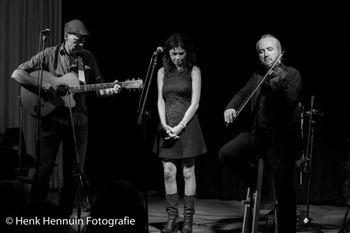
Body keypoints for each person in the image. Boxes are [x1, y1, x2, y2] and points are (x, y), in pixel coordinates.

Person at [11, 19, 121, 217]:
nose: (81, 44)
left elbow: (98, 87)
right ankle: (35, 216)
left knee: (74, 175)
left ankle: (62, 219)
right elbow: (17, 74)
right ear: (65, 37)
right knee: (43, 172)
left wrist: (109, 90)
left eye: (84, 41)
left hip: (78, 122)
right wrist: (44, 86)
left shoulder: (88, 58)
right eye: (77, 40)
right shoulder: (48, 54)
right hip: (51, 121)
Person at [218, 34, 302, 233]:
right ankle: (261, 186)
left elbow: (289, 102)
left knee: (283, 188)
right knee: (226, 154)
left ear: (280, 52)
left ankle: (287, 229)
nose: (265, 54)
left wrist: (275, 85)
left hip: (280, 138)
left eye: (270, 49)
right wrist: (230, 107)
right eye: (261, 51)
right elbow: (243, 93)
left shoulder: (291, 74)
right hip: (257, 133)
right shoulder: (258, 74)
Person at [153, 33, 207, 233]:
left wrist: (181, 126)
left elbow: (195, 103)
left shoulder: (194, 71)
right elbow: (160, 100)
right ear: (168, 53)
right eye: (173, 53)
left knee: (187, 171)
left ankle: (188, 220)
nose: (177, 57)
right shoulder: (161, 72)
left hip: (187, 126)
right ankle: (172, 218)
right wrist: (164, 123)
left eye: (181, 53)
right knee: (168, 172)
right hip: (167, 125)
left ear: (187, 52)